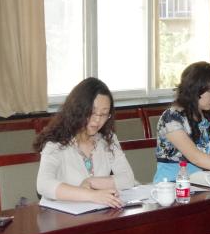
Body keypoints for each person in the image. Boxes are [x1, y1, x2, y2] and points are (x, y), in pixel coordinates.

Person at [35, 77, 136, 208]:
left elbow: (128, 178)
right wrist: (92, 195)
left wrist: (91, 182)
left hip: (98, 214)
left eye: (104, 114)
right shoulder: (56, 143)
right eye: (92, 113)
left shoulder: (108, 139)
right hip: (64, 216)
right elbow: (43, 184)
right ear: (78, 110)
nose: (97, 120)